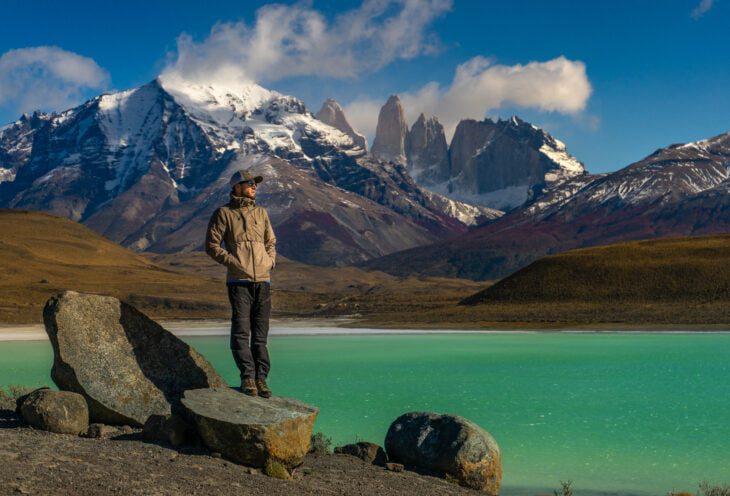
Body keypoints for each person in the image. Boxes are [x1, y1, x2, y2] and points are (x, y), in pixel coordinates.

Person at [205, 170, 277, 398]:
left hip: (263, 281)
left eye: (255, 184)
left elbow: (270, 241)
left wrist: (269, 262)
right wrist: (234, 263)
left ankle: (261, 379)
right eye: (249, 183)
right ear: (236, 187)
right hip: (238, 282)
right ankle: (247, 377)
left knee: (260, 335)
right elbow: (212, 245)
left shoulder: (262, 213)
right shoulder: (224, 213)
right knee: (240, 332)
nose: (254, 186)